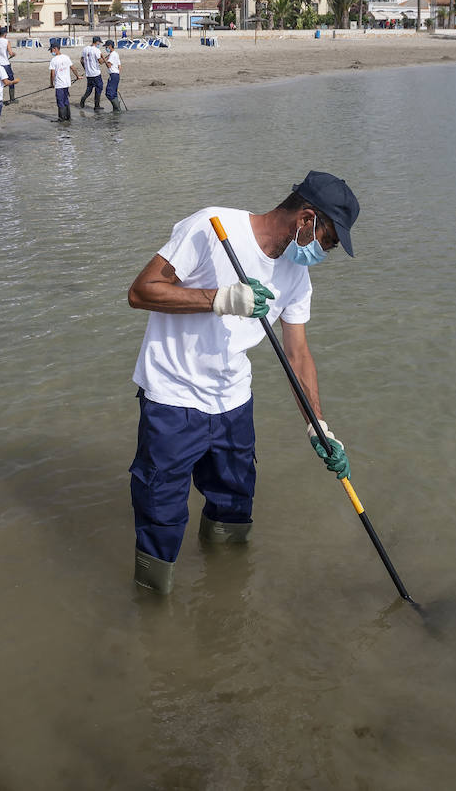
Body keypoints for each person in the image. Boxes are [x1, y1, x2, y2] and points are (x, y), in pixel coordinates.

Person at [124, 171, 361, 594]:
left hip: (233, 403)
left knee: (234, 508)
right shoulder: (213, 226)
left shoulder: (296, 276)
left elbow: (298, 354)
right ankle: (151, 602)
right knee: (161, 514)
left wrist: (318, 425)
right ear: (306, 219)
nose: (327, 253)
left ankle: (225, 602)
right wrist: (218, 298)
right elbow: (142, 291)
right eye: (328, 241)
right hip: (172, 398)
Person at [48, 37, 74, 122]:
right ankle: (68, 118)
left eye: (51, 50)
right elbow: (73, 68)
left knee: (60, 101)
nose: (51, 52)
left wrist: (51, 84)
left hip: (59, 84)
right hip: (66, 84)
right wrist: (77, 76)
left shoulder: (54, 60)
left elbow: (52, 74)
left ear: (55, 49)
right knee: (66, 100)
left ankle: (61, 119)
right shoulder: (66, 57)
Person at [78, 36, 104, 110]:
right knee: (99, 88)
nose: (99, 44)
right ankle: (97, 105)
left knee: (89, 89)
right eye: (99, 43)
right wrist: (106, 58)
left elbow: (81, 60)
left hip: (89, 73)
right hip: (96, 73)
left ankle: (83, 99)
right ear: (97, 42)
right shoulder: (96, 50)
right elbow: (101, 62)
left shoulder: (85, 49)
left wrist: (85, 69)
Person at [0, 26, 16, 102]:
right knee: (11, 80)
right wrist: (13, 54)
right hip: (5, 64)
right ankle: (12, 98)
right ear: (5, 34)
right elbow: (10, 53)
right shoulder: (7, 41)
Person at [101, 39, 123, 112]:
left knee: (109, 93)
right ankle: (116, 109)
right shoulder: (115, 54)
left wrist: (104, 59)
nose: (105, 48)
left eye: (106, 47)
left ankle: (117, 108)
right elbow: (120, 66)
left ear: (110, 46)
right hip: (116, 75)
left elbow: (109, 65)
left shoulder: (112, 55)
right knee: (114, 93)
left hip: (113, 75)